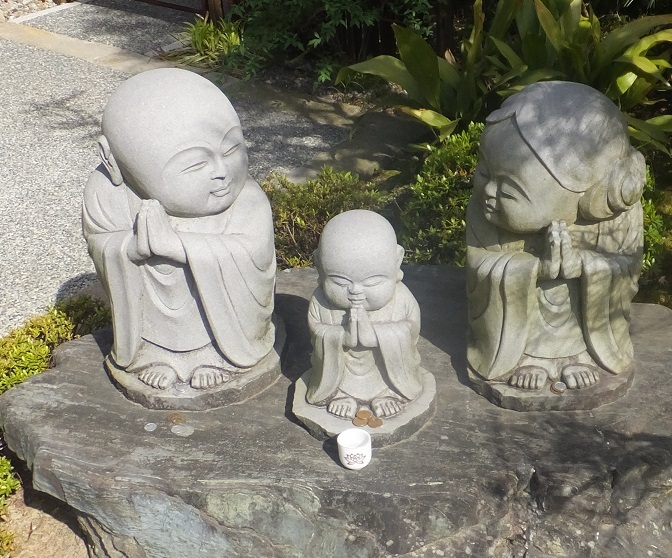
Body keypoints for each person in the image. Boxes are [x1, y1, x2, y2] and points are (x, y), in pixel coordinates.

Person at [82, 68, 276, 392]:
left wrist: (178, 246)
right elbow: (100, 244)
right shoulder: (107, 194)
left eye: (231, 150)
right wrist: (132, 247)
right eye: (196, 164)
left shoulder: (247, 199)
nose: (221, 171)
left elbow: (254, 254)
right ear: (114, 162)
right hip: (153, 330)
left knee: (221, 274)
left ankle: (215, 354)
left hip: (228, 335)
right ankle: (154, 354)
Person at [466, 81, 645, 391]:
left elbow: (626, 268)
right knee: (512, 281)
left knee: (580, 287)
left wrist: (583, 265)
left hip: (582, 331)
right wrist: (536, 269)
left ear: (580, 198)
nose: (489, 190)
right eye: (484, 172)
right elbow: (479, 266)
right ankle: (527, 355)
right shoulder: (483, 208)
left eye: (510, 189)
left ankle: (578, 354)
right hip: (517, 336)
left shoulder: (617, 217)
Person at [306, 210, 423, 419]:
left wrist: (376, 336)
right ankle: (339, 394)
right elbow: (317, 330)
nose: (356, 290)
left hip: (385, 374)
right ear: (319, 266)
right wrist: (342, 336)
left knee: (394, 360)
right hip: (340, 374)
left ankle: (387, 392)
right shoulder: (321, 301)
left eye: (373, 282)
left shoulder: (402, 298)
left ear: (397, 262)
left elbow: (411, 330)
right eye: (340, 282)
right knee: (330, 360)